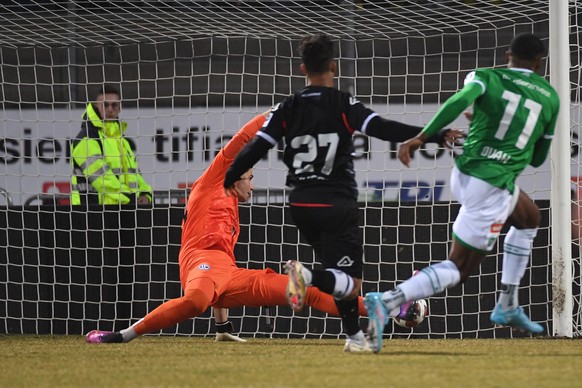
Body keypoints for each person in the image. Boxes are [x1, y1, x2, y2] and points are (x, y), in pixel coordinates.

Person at [223, 33, 462, 352]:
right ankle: (305, 275)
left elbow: (257, 146)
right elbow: (384, 129)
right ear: (333, 66)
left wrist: (230, 174)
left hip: (299, 204)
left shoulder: (286, 108)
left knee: (337, 276)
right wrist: (436, 135)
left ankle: (354, 337)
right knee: (351, 283)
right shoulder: (344, 105)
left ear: (301, 69)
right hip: (336, 204)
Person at [85, 113, 368, 345]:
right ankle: (122, 335)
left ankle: (392, 306)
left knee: (307, 290)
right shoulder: (213, 181)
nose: (252, 184)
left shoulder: (232, 210)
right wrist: (277, 115)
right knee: (196, 301)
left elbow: (219, 275)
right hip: (198, 260)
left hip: (228, 274)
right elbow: (243, 138)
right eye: (249, 177)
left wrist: (223, 327)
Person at [364, 33, 559, 353]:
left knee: (529, 217)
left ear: (507, 54)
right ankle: (387, 301)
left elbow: (458, 101)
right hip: (490, 185)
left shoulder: (486, 76)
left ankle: (507, 303)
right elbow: (537, 159)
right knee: (458, 268)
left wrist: (423, 137)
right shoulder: (550, 97)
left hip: (470, 173)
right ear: (539, 63)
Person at [70, 85, 152, 205]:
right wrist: (132, 199)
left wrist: (145, 194)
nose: (110, 109)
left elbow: (135, 175)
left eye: (114, 105)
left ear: (120, 108)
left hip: (121, 211)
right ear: (97, 106)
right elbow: (103, 179)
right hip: (91, 213)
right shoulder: (86, 139)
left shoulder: (122, 141)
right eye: (105, 104)